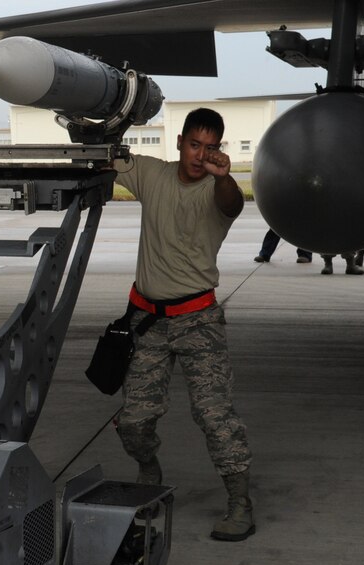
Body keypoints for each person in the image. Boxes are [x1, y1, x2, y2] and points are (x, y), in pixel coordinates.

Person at [112, 108, 254, 542]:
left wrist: (226, 176)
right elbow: (109, 158)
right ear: (179, 141)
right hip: (147, 320)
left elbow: (231, 203)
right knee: (134, 420)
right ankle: (149, 472)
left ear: (219, 151)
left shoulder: (218, 190)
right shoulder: (152, 175)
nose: (201, 155)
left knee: (214, 417)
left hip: (198, 321)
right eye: (195, 144)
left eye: (211, 148)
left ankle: (239, 502)